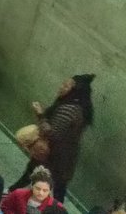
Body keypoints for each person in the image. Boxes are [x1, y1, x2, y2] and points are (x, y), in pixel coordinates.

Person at [8, 74, 95, 202]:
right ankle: (13, 191)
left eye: (66, 86)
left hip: (54, 155)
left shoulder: (69, 109)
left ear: (75, 91)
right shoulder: (77, 107)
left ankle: (12, 192)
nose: (61, 87)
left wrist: (40, 114)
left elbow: (52, 133)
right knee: (53, 183)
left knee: (47, 180)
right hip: (64, 156)